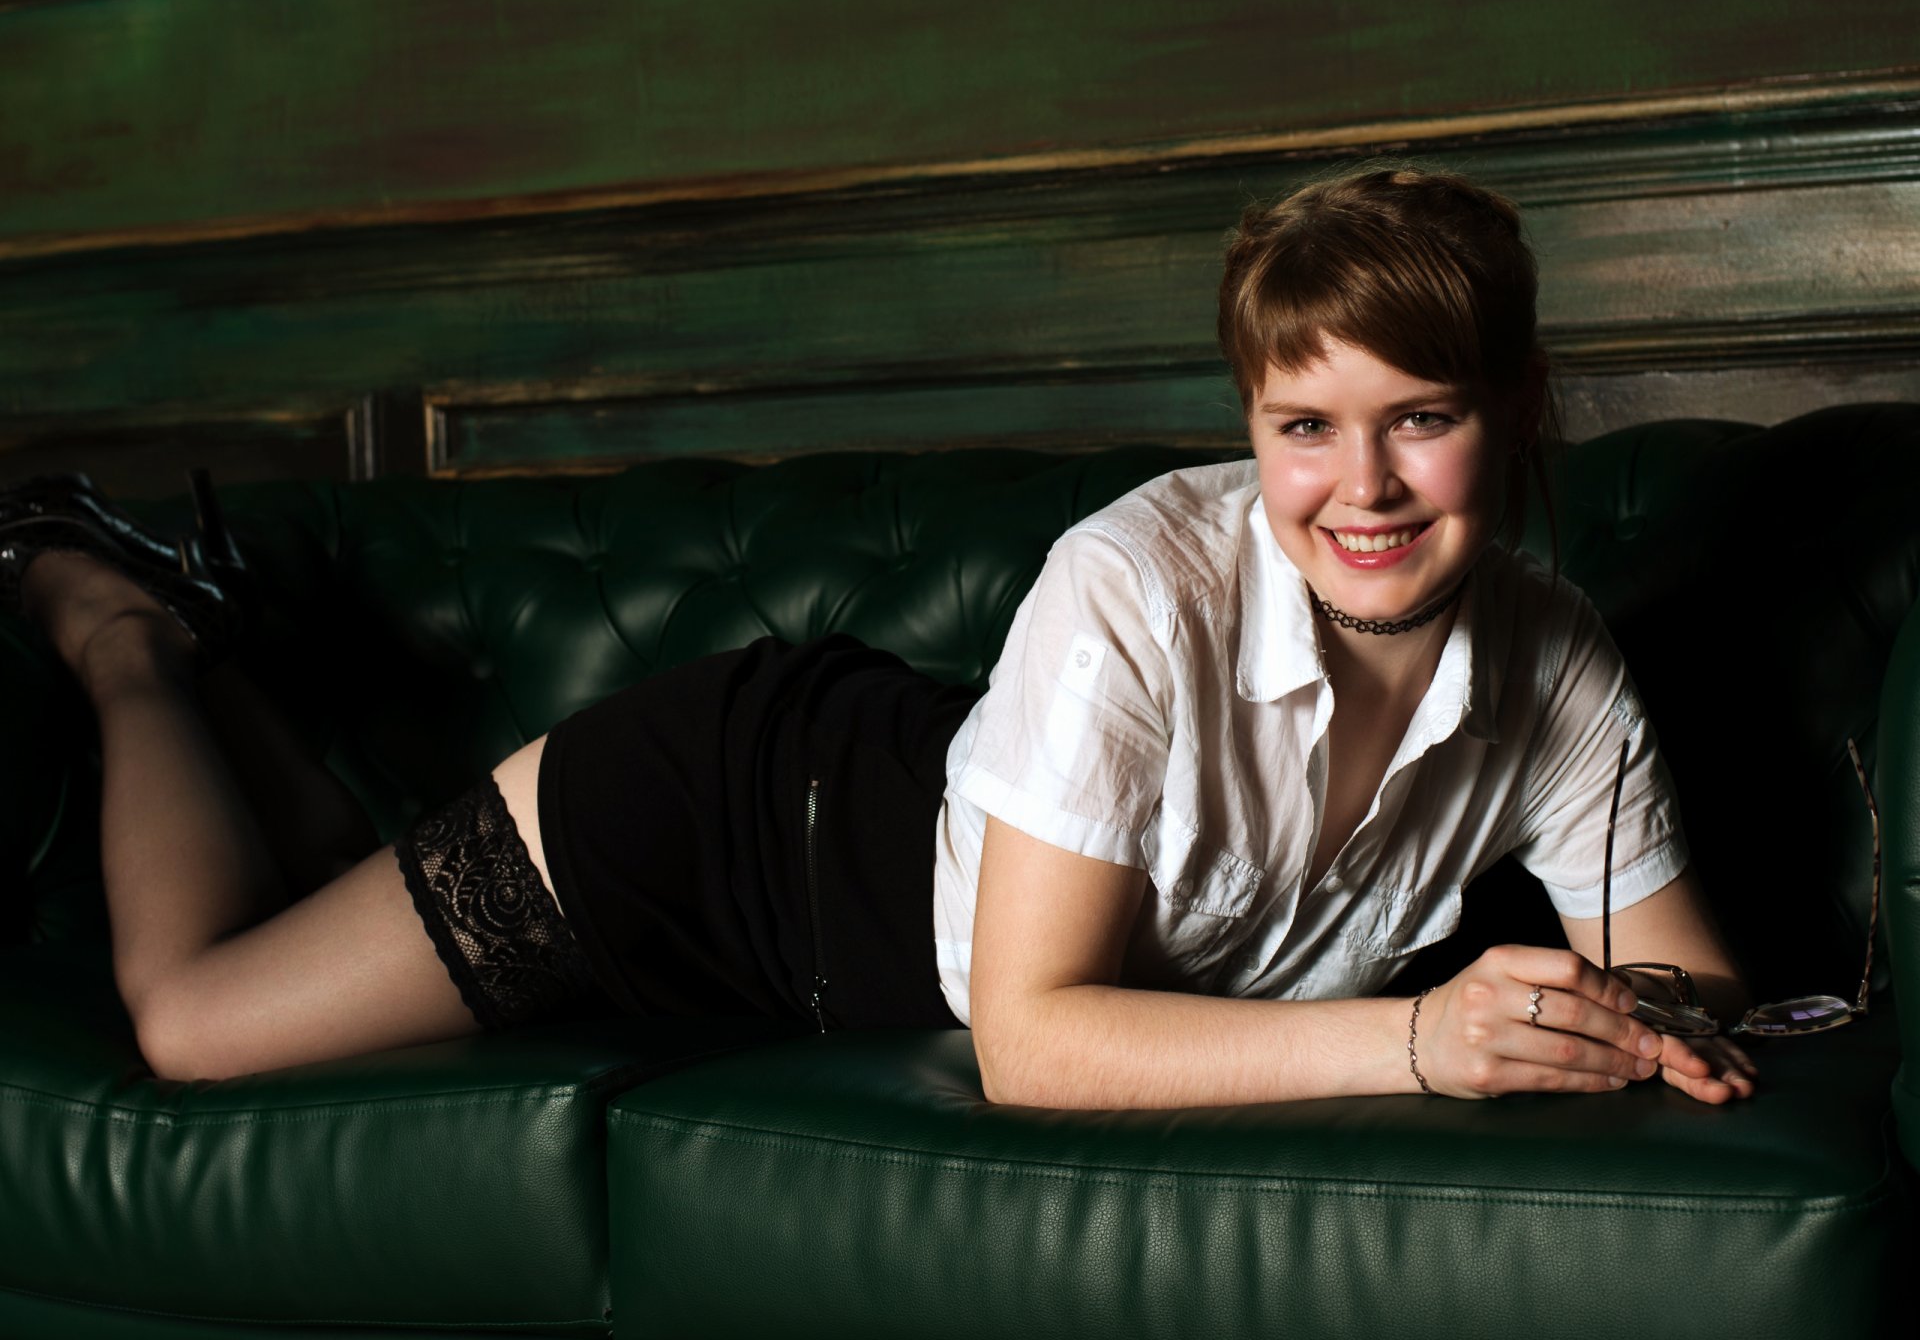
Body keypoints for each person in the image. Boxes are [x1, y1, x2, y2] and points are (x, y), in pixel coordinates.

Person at [0, 167, 1757, 1105]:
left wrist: (1623, 1022)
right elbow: (1034, 1043)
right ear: (1252, 428)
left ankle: (231, 668)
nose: (1360, 487)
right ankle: (123, 625)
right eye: (1305, 427)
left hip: (833, 927)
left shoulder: (1557, 664)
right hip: (720, 829)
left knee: (329, 882)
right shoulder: (1137, 579)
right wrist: (1421, 1039)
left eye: (1422, 418)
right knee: (200, 1023)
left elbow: (1698, 977)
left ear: (1521, 412)